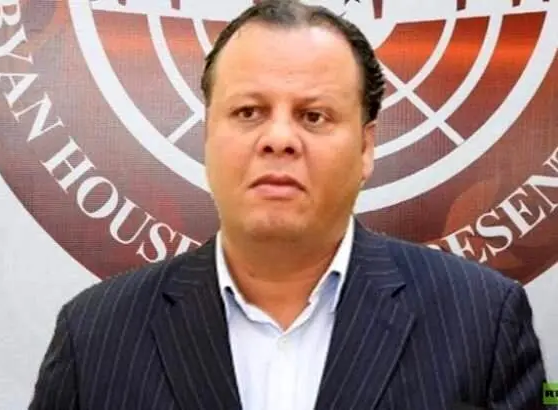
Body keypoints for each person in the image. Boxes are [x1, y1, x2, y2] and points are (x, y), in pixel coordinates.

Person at [29, 1, 548, 409]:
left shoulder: (481, 323)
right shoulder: (95, 336)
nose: (279, 139)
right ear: (207, 136)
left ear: (366, 148)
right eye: (249, 112)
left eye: (314, 116)